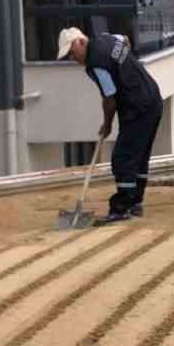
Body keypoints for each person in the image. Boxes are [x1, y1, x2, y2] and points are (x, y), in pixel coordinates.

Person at [59, 26, 163, 225]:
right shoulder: (107, 38)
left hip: (137, 106)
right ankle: (135, 203)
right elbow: (125, 39)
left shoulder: (96, 63)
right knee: (139, 156)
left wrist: (106, 125)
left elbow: (109, 98)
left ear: (80, 42)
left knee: (122, 158)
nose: (74, 59)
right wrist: (125, 68)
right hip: (152, 98)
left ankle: (121, 208)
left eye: (72, 53)